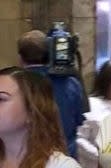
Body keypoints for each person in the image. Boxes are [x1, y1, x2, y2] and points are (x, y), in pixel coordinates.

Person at [17, 30, 86, 158]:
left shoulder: (14, 85)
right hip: (66, 160)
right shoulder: (72, 84)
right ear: (49, 54)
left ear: (20, 58)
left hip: (28, 161)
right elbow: (79, 121)